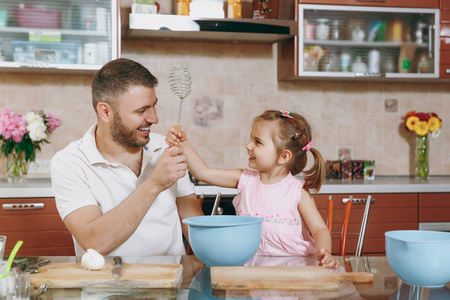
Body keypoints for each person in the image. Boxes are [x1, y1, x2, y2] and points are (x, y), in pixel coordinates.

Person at [51, 58, 204, 257]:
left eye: (153, 106)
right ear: (105, 112)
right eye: (141, 111)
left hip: (172, 283)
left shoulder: (166, 149)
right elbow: (94, 242)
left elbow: (195, 233)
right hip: (106, 286)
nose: (154, 119)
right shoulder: (70, 163)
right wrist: (154, 184)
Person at [167, 109, 339, 268]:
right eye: (251, 139)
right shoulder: (245, 179)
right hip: (251, 269)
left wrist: (324, 252)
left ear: (283, 156)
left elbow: (319, 229)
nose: (248, 145)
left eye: (258, 142)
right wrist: (183, 143)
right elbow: (203, 172)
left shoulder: (297, 191)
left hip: (293, 268)